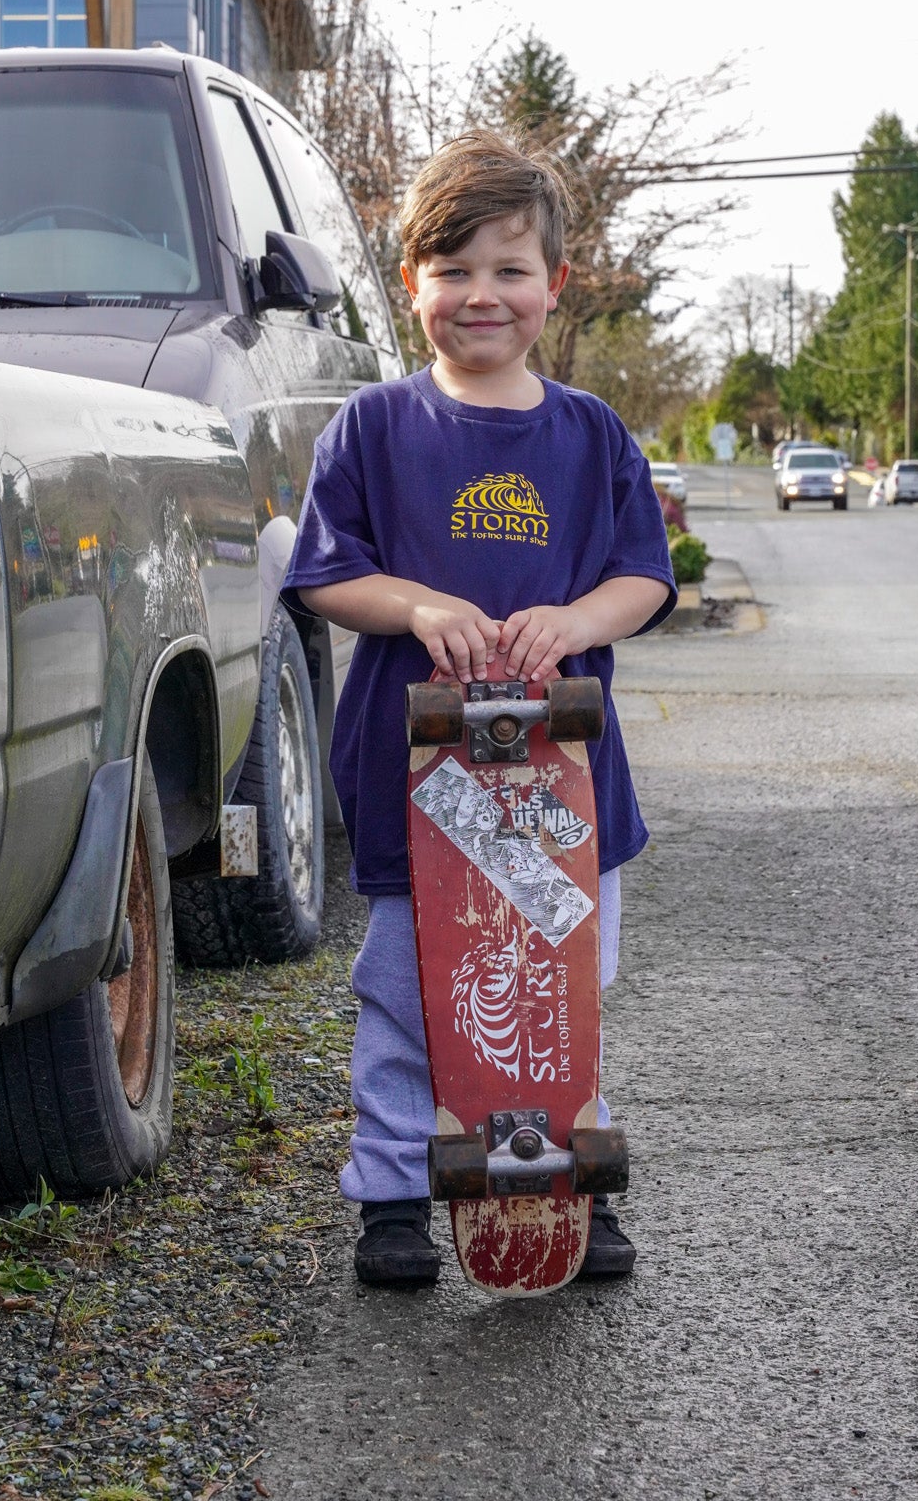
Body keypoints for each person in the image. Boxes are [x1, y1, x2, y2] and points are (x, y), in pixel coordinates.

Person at [283, 129, 676, 1287]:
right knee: (410, 993)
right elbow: (321, 570)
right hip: (424, 793)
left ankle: (564, 1184)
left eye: (509, 269)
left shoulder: (591, 432)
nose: (480, 294)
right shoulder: (373, 427)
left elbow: (642, 574)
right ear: (412, 284)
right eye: (451, 269)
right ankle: (397, 1191)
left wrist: (576, 620)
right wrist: (412, 605)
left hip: (562, 792)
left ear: (555, 284)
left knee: (556, 996)